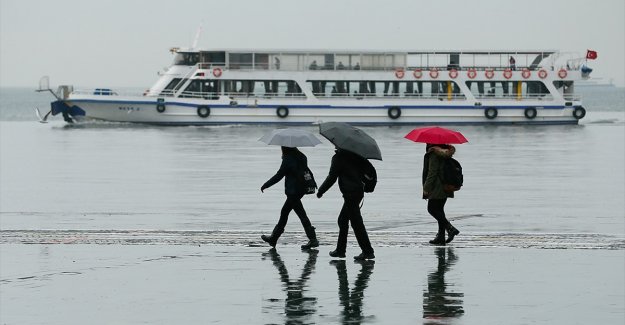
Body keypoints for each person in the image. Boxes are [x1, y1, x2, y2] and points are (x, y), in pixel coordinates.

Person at [317, 148, 375, 260]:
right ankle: (341, 250)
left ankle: (367, 251)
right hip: (358, 192)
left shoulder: (339, 158)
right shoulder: (356, 155)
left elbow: (332, 177)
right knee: (343, 220)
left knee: (356, 223)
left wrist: (321, 190)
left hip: (350, 194)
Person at [261, 146, 318, 249]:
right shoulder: (301, 156)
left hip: (293, 190)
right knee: (298, 213)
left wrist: (266, 184)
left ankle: (274, 238)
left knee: (286, 213)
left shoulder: (288, 159)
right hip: (301, 189)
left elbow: (279, 175)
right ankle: (312, 239)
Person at [422, 144, 460, 245]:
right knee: (439, 211)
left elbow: (432, 172)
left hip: (436, 187)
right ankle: (441, 237)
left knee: (432, 209)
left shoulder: (434, 154)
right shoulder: (446, 153)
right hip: (446, 186)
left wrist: (426, 188)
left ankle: (450, 228)